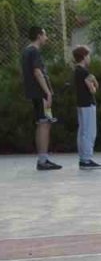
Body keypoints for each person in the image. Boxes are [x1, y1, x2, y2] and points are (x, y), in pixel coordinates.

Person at [21, 27, 58, 171]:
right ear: (39, 36)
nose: (46, 38)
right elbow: (37, 72)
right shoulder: (34, 51)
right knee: (44, 124)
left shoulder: (26, 51)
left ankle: (43, 158)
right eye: (45, 35)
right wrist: (47, 92)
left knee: (43, 123)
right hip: (40, 94)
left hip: (35, 93)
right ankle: (43, 160)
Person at [71, 46, 101, 170]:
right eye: (88, 56)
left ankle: (83, 157)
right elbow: (93, 89)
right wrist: (94, 80)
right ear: (84, 57)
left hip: (81, 103)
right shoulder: (84, 72)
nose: (89, 58)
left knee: (82, 131)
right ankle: (86, 159)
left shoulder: (76, 71)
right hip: (88, 104)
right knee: (89, 131)